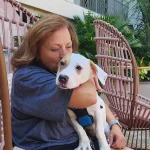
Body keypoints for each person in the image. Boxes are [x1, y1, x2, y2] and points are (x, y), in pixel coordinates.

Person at [11, 15, 131, 150]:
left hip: (83, 141)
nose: (64, 54)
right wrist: (89, 73)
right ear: (36, 50)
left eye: (68, 46)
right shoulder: (27, 77)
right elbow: (89, 97)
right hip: (52, 145)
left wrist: (114, 124)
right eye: (55, 49)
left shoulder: (59, 70)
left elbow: (97, 102)